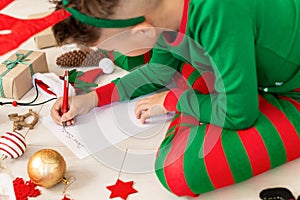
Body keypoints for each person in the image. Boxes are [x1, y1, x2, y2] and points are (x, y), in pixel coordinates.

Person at [50, 0, 300, 197]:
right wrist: (93, 99)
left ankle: (209, 104)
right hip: (255, 65)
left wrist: (175, 101)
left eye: (113, 47)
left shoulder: (219, 12)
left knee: (179, 171)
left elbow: (239, 113)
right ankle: (213, 101)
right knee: (187, 69)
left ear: (143, 32)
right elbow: (160, 71)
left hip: (290, 89)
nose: (112, 52)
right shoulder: (166, 10)